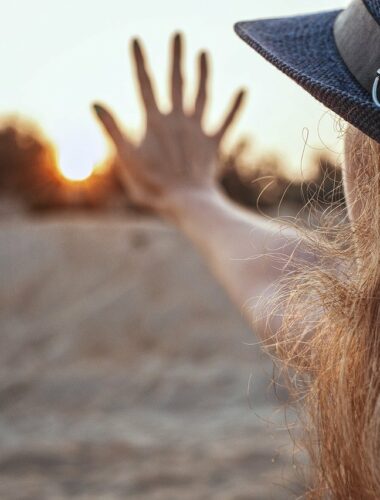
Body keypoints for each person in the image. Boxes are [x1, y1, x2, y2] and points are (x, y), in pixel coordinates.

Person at [93, 1, 380, 497]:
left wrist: (188, 196)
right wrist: (191, 197)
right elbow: (289, 282)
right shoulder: (368, 345)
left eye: (348, 112)